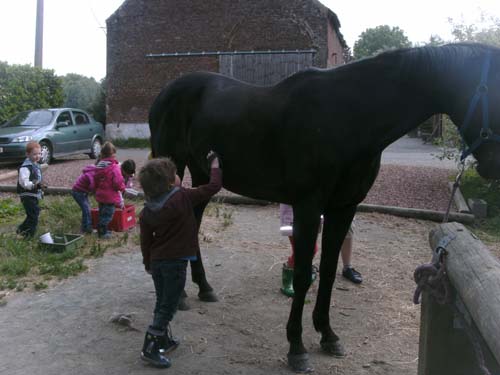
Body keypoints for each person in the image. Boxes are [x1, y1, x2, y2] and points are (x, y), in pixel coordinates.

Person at [138, 152, 222, 368]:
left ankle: (163, 339)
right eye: (175, 175)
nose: (179, 177)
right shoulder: (182, 198)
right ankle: (150, 346)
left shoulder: (147, 210)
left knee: (161, 301)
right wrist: (214, 164)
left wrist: (148, 263)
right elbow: (213, 187)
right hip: (175, 263)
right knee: (169, 306)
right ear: (168, 183)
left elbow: (145, 241)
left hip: (157, 263)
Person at [279, 204, 363, 297]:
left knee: (308, 249)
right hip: (296, 216)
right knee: (305, 249)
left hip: (308, 213)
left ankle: (296, 272)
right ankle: (289, 278)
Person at [93, 142, 125, 239]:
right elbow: (118, 182)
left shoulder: (99, 166)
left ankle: (103, 230)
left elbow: (95, 180)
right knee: (108, 214)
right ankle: (102, 232)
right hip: (110, 196)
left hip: (100, 195)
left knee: (102, 212)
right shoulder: (114, 167)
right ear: (113, 154)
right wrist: (122, 187)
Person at [16, 141, 45, 238]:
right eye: (35, 154)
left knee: (34, 213)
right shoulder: (25, 167)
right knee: (33, 216)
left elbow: (37, 178)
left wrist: (41, 186)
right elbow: (24, 182)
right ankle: (29, 236)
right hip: (27, 194)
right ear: (27, 154)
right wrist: (34, 185)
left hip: (34, 194)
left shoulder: (35, 165)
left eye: (39, 154)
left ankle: (21, 229)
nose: (38, 156)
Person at [71, 164, 97, 234]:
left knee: (86, 209)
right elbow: (92, 185)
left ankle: (84, 226)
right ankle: (87, 228)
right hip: (78, 193)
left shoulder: (93, 171)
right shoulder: (92, 173)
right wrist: (96, 191)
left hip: (82, 192)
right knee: (87, 209)